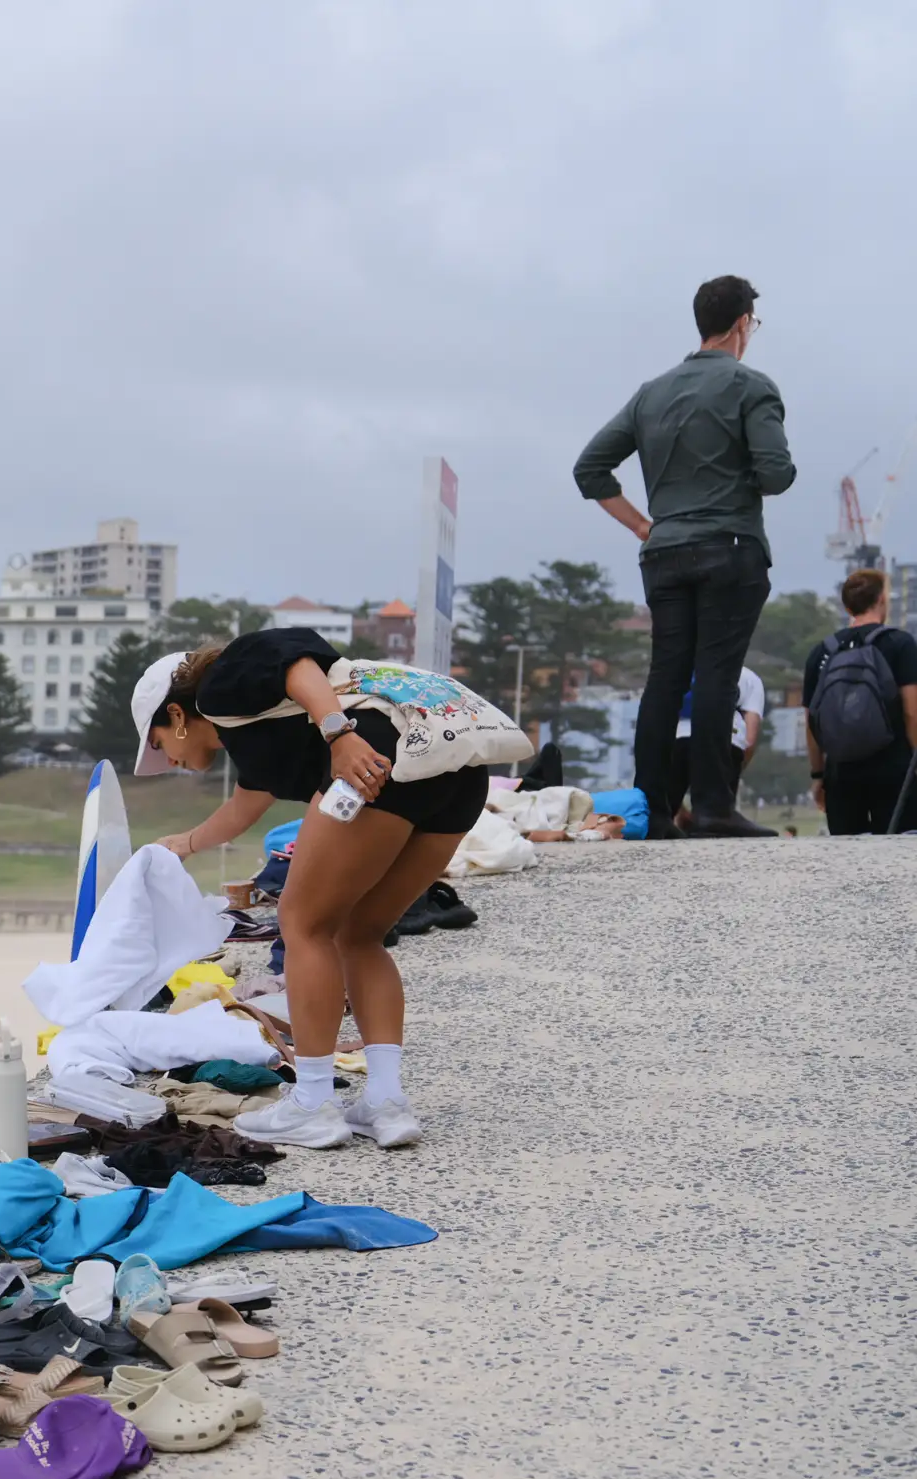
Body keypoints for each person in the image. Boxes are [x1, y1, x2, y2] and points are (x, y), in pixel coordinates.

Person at [136, 628, 511, 1150]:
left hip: (376, 761)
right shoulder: (261, 735)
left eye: (157, 745)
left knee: (302, 923)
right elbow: (242, 809)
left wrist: (339, 736)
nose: (165, 762)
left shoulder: (218, 686)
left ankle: (312, 1103)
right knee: (359, 934)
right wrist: (184, 844)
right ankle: (384, 1100)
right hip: (456, 774)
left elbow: (297, 663)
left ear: (176, 716)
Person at [573, 273, 796, 838]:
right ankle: (716, 808)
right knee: (718, 675)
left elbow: (590, 469)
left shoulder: (651, 392)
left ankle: (653, 810)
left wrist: (645, 527)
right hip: (731, 546)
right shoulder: (752, 387)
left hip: (666, 554)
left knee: (665, 678)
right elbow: (776, 474)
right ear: (743, 323)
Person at [801, 565, 917, 834]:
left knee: (847, 860)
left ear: (848, 607)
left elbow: (811, 721)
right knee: (898, 857)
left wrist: (818, 775)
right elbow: (912, 711)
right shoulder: (900, 644)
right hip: (894, 769)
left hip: (841, 772)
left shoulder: (822, 651)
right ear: (881, 600)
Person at [673, 663, 764, 792]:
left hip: (679, 740)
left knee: (667, 807)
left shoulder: (675, 672)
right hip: (727, 742)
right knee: (716, 809)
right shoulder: (748, 677)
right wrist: (733, 773)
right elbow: (749, 741)